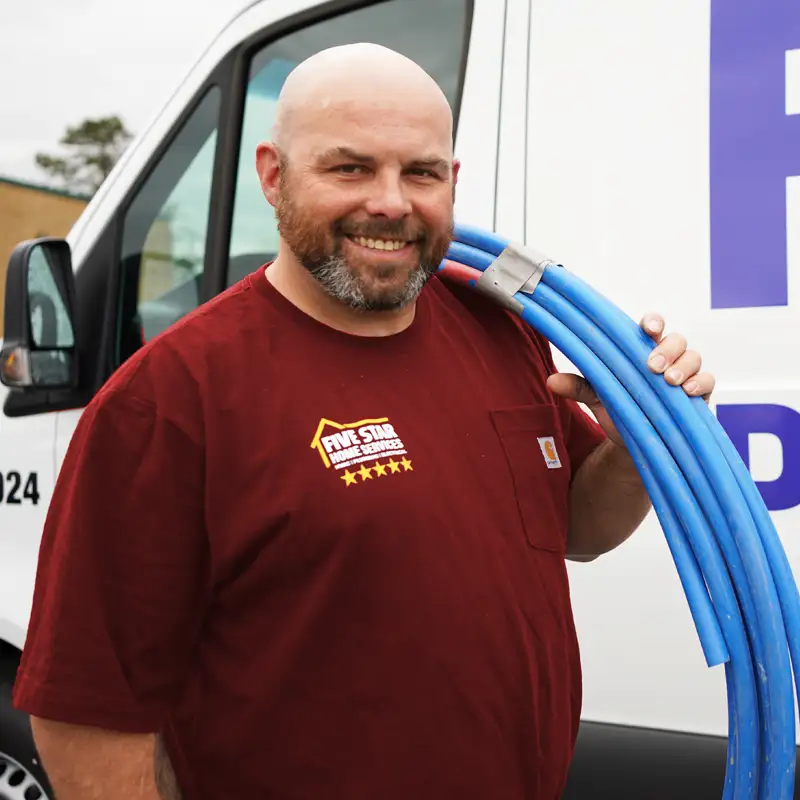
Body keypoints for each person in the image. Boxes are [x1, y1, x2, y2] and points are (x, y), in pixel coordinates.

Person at [12, 43, 715, 800]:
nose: (390, 202)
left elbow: (581, 526)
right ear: (273, 176)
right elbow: (86, 710)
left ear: (452, 181)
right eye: (350, 168)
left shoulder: (503, 329)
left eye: (420, 172)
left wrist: (637, 439)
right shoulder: (171, 400)